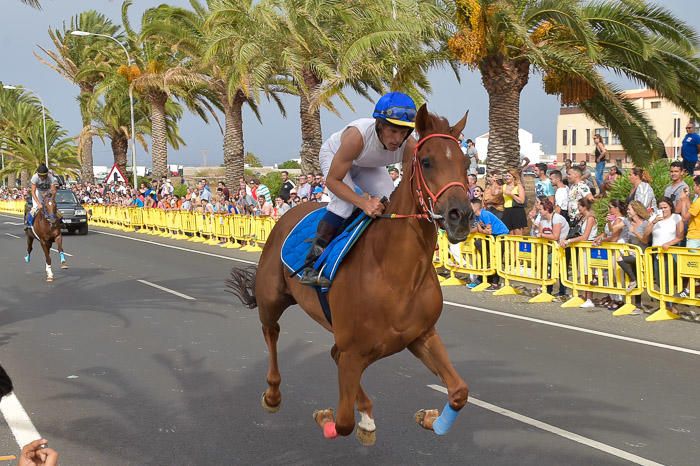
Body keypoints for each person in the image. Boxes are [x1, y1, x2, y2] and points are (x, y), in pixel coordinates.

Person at [299, 91, 417, 286]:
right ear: (379, 125)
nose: (398, 138)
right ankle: (311, 265)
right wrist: (363, 202)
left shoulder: (410, 146)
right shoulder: (357, 136)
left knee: (391, 201)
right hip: (336, 156)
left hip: (368, 165)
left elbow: (407, 185)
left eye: (404, 132)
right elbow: (333, 181)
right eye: (393, 131)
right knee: (344, 205)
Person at [561, 198, 598, 308]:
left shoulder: (590, 218)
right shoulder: (582, 217)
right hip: (582, 247)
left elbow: (585, 236)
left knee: (588, 273)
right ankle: (585, 295)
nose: (578, 208)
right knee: (583, 272)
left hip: (588, 246)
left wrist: (569, 241)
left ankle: (589, 298)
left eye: (580, 206)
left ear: (585, 206)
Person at [468, 198, 509, 290]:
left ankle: (495, 283)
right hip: (493, 236)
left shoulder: (484, 214)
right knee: (479, 245)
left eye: (470, 206)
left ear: (475, 207)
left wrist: (481, 230)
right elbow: (478, 229)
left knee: (497, 258)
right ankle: (484, 277)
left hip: (500, 235)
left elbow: (488, 231)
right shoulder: (477, 216)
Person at [25, 164, 58, 229]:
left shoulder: (50, 177)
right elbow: (33, 192)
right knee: (35, 209)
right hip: (38, 192)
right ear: (38, 174)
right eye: (40, 176)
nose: (42, 177)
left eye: (44, 176)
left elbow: (53, 190)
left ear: (47, 174)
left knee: (53, 207)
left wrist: (52, 199)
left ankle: (60, 222)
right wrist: (38, 203)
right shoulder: (35, 178)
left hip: (48, 191)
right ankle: (29, 224)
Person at [502, 168, 527, 235]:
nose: (507, 177)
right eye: (506, 176)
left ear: (514, 177)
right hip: (507, 211)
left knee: (517, 234)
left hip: (517, 211)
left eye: (509, 176)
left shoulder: (518, 186)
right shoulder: (504, 186)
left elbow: (522, 200)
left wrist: (511, 195)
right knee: (510, 234)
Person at [682, 175, 700, 248]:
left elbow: (685, 218)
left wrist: (683, 201)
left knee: (691, 259)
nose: (693, 187)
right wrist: (687, 198)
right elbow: (692, 211)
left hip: (695, 237)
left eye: (694, 185)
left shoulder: (698, 201)